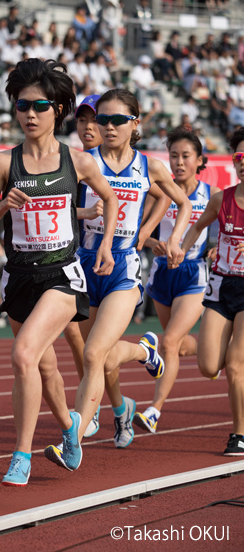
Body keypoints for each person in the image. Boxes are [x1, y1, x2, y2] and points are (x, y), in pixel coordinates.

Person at [0, 58, 119, 487]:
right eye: (22, 106)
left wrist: (106, 244)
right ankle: (72, 428)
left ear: (57, 109)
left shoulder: (77, 161)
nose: (30, 115)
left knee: (22, 356)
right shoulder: (2, 163)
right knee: (45, 368)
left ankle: (21, 455)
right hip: (18, 277)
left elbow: (109, 200)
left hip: (62, 275)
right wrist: (2, 205)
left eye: (39, 106)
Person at [46, 90, 192, 472]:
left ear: (135, 123)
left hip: (124, 268)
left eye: (117, 120)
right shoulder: (81, 162)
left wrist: (166, 236)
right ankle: (141, 359)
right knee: (101, 358)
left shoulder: (149, 167)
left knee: (95, 354)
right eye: (102, 120)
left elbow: (184, 203)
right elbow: (58, 205)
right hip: (83, 266)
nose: (107, 127)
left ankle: (72, 441)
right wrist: (83, 210)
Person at [134, 128, 219, 434]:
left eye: (186, 156)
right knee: (178, 345)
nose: (179, 162)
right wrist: (151, 243)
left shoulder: (211, 195)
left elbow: (228, 229)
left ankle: (154, 410)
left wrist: (214, 246)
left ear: (199, 160)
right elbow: (135, 232)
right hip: (161, 274)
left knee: (167, 342)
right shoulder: (158, 191)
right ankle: (216, 349)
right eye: (173, 156)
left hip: (194, 274)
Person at [177, 127, 244, 455]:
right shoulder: (222, 198)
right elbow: (197, 227)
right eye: (239, 157)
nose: (243, 162)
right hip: (221, 287)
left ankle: (239, 434)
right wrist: (182, 250)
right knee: (208, 367)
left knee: (234, 364)